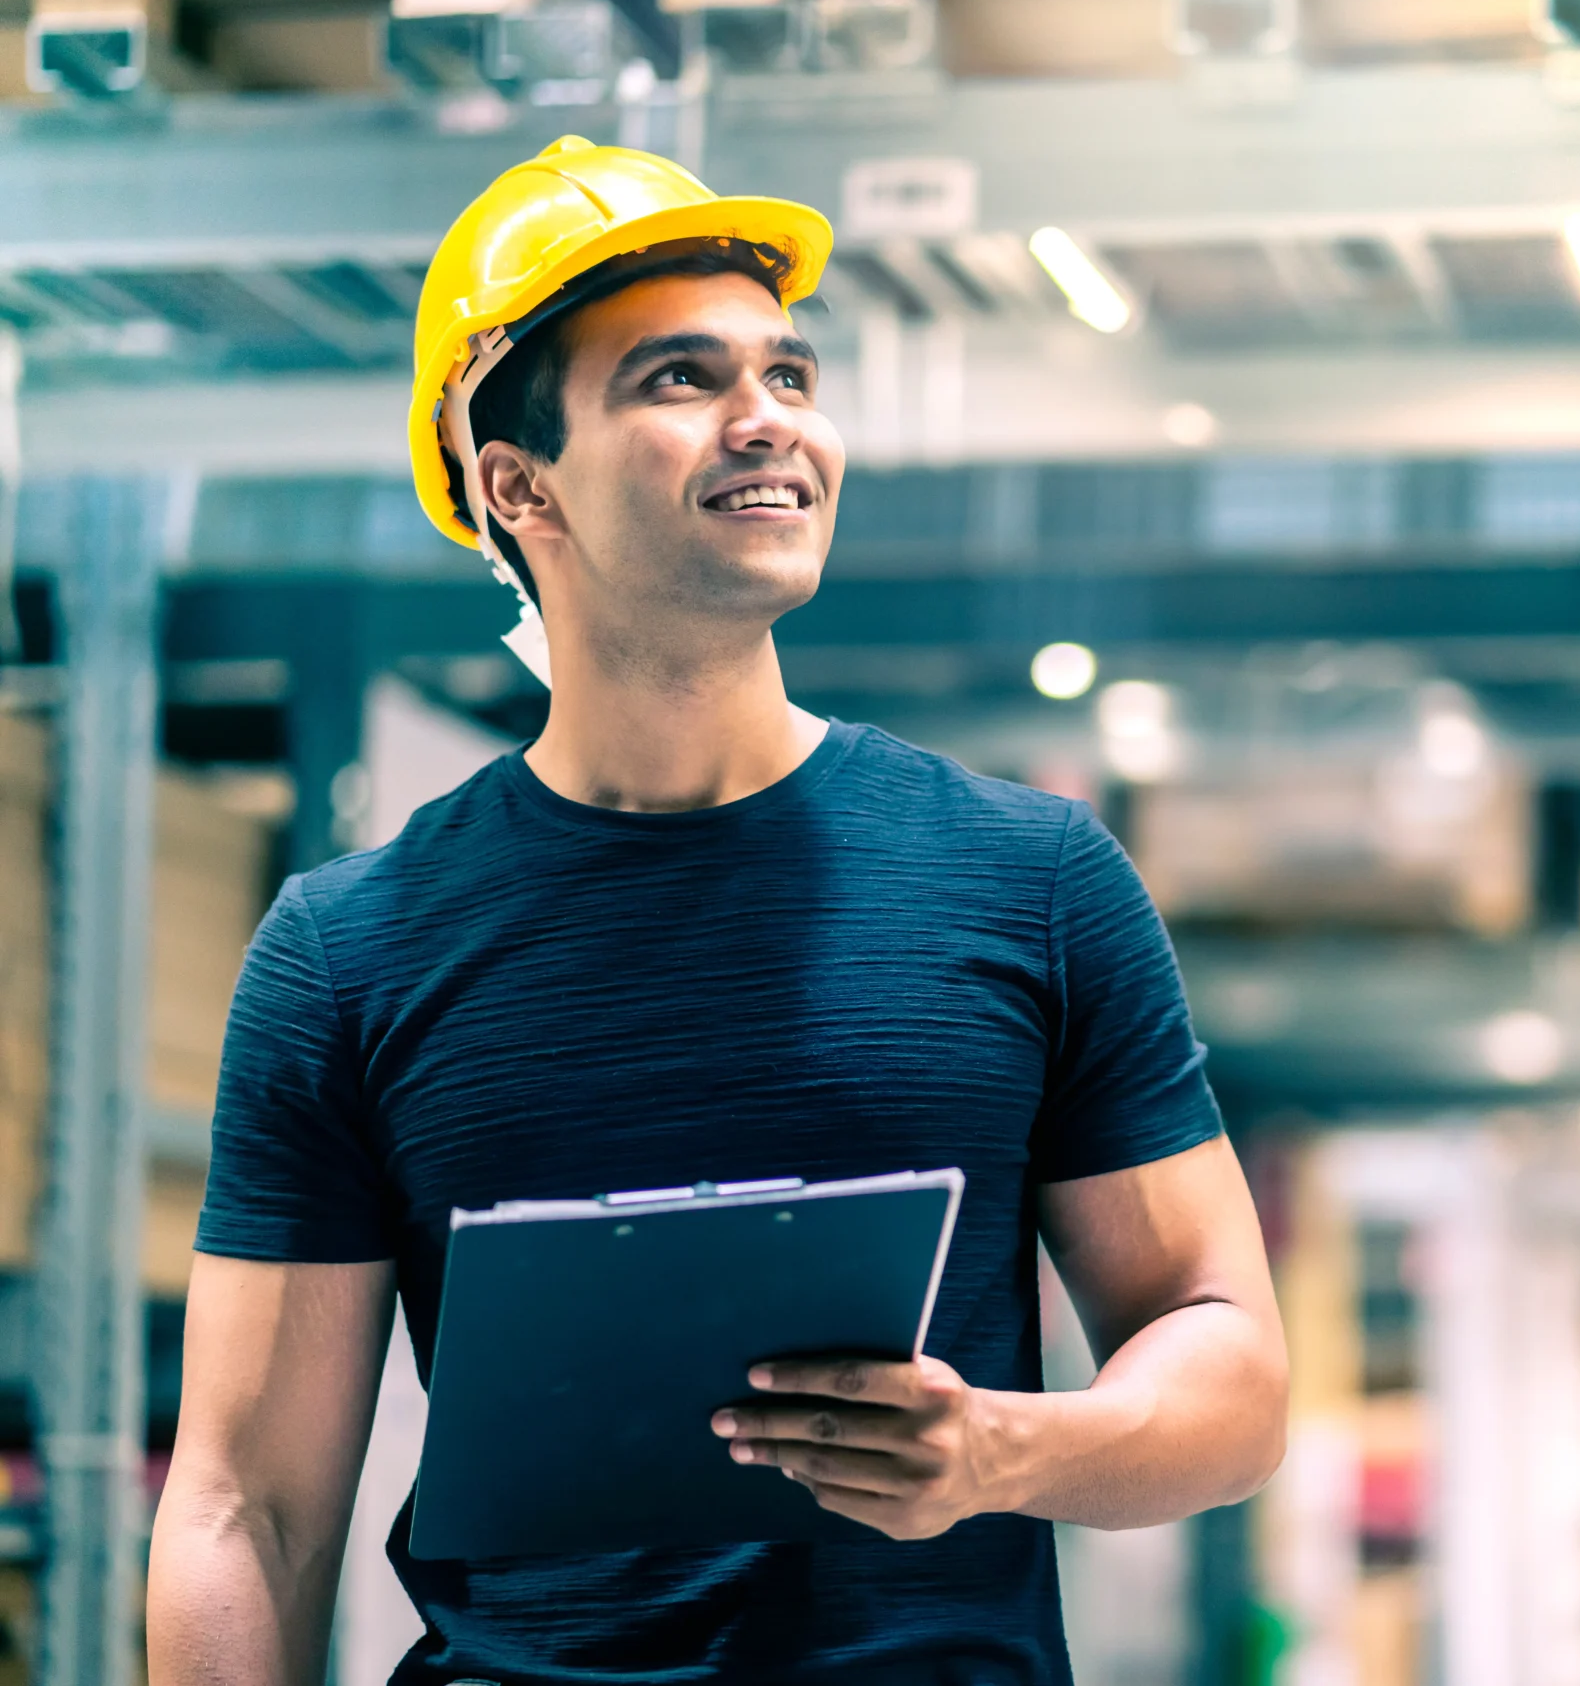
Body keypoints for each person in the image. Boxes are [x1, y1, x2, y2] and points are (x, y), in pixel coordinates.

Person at [145, 137, 1289, 1684]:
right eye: (679, 379)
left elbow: (1229, 1364)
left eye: (791, 374)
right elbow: (243, 1511)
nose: (772, 422)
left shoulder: (1032, 880)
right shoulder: (353, 952)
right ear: (516, 482)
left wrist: (1009, 1454)